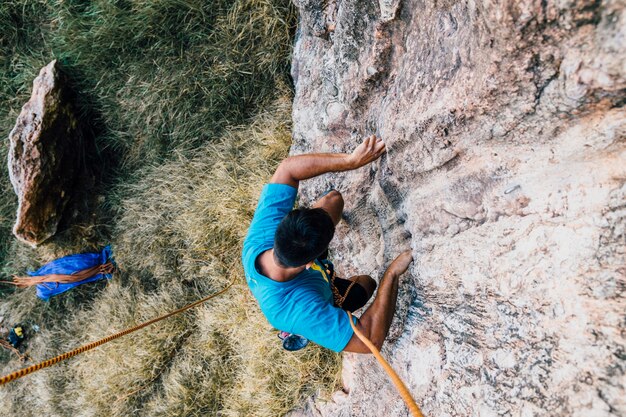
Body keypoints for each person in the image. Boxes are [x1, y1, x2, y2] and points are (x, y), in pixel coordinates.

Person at [242, 135, 414, 353]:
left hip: (299, 276)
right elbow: (369, 341)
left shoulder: (261, 236)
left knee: (332, 200)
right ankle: (304, 330)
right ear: (311, 262)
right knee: (368, 284)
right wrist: (392, 274)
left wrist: (351, 161)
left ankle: (317, 315)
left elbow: (287, 169)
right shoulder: (297, 309)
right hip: (311, 299)